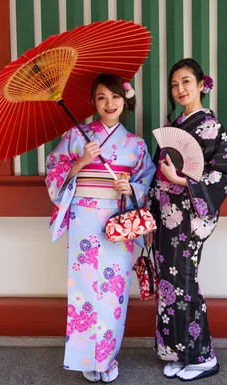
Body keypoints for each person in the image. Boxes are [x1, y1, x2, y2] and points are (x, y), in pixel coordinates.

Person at [45, 73, 156, 383]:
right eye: (102, 97)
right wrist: (80, 162)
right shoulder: (76, 136)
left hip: (116, 222)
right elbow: (54, 174)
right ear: (93, 102)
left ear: (125, 101)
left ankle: (106, 358)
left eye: (116, 97)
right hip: (83, 219)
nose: (110, 104)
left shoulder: (135, 144)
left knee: (112, 293)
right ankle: (85, 358)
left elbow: (147, 180)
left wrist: (130, 187)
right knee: (83, 291)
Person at [144, 58, 227, 381]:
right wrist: (150, 218)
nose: (179, 89)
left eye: (186, 82)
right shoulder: (176, 128)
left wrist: (184, 180)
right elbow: (158, 179)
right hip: (165, 218)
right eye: (174, 85)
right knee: (169, 288)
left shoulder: (210, 128)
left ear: (201, 84)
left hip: (189, 218)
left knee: (185, 284)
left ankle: (203, 356)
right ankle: (179, 353)